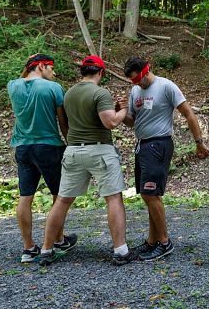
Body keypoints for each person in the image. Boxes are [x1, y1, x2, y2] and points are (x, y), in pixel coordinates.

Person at [39, 56, 131, 266]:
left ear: (82, 71)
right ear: (101, 72)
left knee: (62, 200)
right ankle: (121, 250)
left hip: (73, 151)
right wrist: (123, 109)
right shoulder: (100, 93)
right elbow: (110, 122)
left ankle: (46, 249)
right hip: (99, 150)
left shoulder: (69, 93)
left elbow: (64, 122)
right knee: (113, 198)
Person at [122, 57, 209, 261]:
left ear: (147, 69)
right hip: (141, 145)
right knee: (147, 195)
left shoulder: (166, 86)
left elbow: (188, 113)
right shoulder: (135, 91)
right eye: (133, 81)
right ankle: (152, 241)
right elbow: (131, 122)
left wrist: (199, 142)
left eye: (139, 79)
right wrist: (120, 112)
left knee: (151, 195)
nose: (137, 84)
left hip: (159, 144)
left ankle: (164, 242)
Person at [7, 54, 76, 263]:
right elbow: (63, 122)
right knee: (59, 194)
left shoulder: (13, 86)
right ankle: (58, 239)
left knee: (25, 196)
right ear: (42, 66)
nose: (53, 73)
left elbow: (24, 76)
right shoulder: (53, 88)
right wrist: (70, 144)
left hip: (22, 146)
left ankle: (28, 248)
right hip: (48, 146)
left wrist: (29, 65)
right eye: (51, 68)